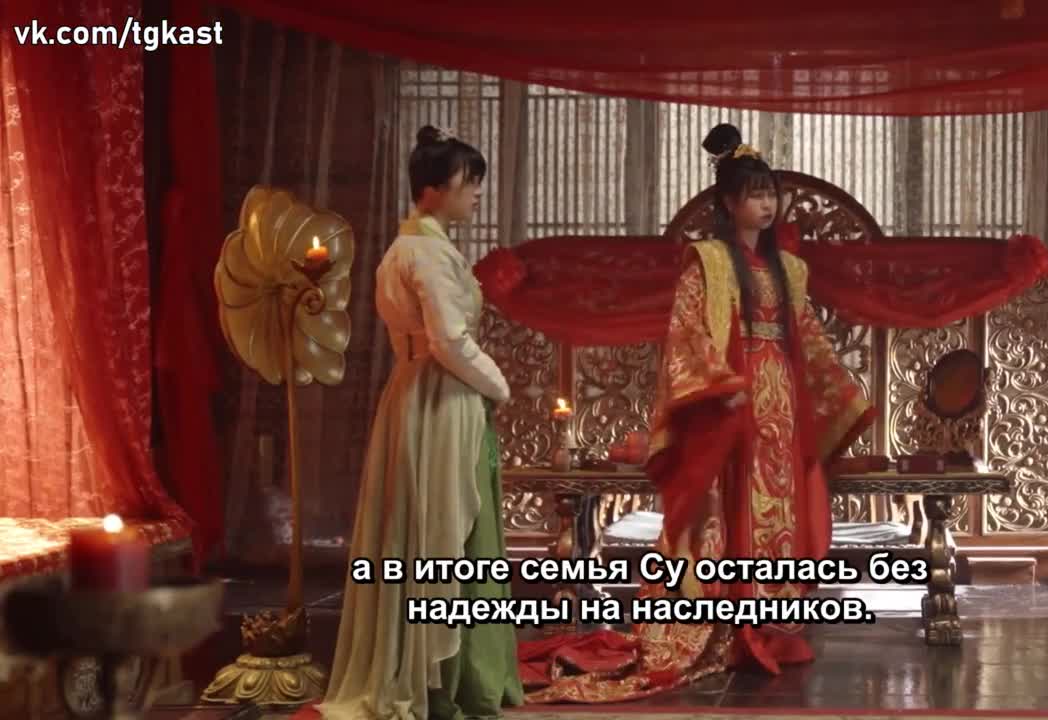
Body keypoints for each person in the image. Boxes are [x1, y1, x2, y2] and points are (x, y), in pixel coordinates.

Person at [520, 123, 877, 703]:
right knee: (732, 506)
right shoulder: (707, 262)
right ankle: (729, 624)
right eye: (755, 195)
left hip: (781, 402)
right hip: (732, 402)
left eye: (770, 193)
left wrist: (843, 395)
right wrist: (719, 385)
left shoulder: (790, 269)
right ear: (730, 203)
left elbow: (808, 336)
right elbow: (687, 333)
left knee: (780, 509)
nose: (767, 205)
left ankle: (771, 624)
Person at [317, 126, 524, 720]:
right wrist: (500, 386)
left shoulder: (406, 248)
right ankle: (443, 679)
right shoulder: (425, 254)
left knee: (424, 525)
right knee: (444, 529)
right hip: (441, 396)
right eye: (468, 181)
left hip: (415, 392)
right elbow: (449, 340)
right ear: (432, 189)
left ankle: (451, 671)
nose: (476, 192)